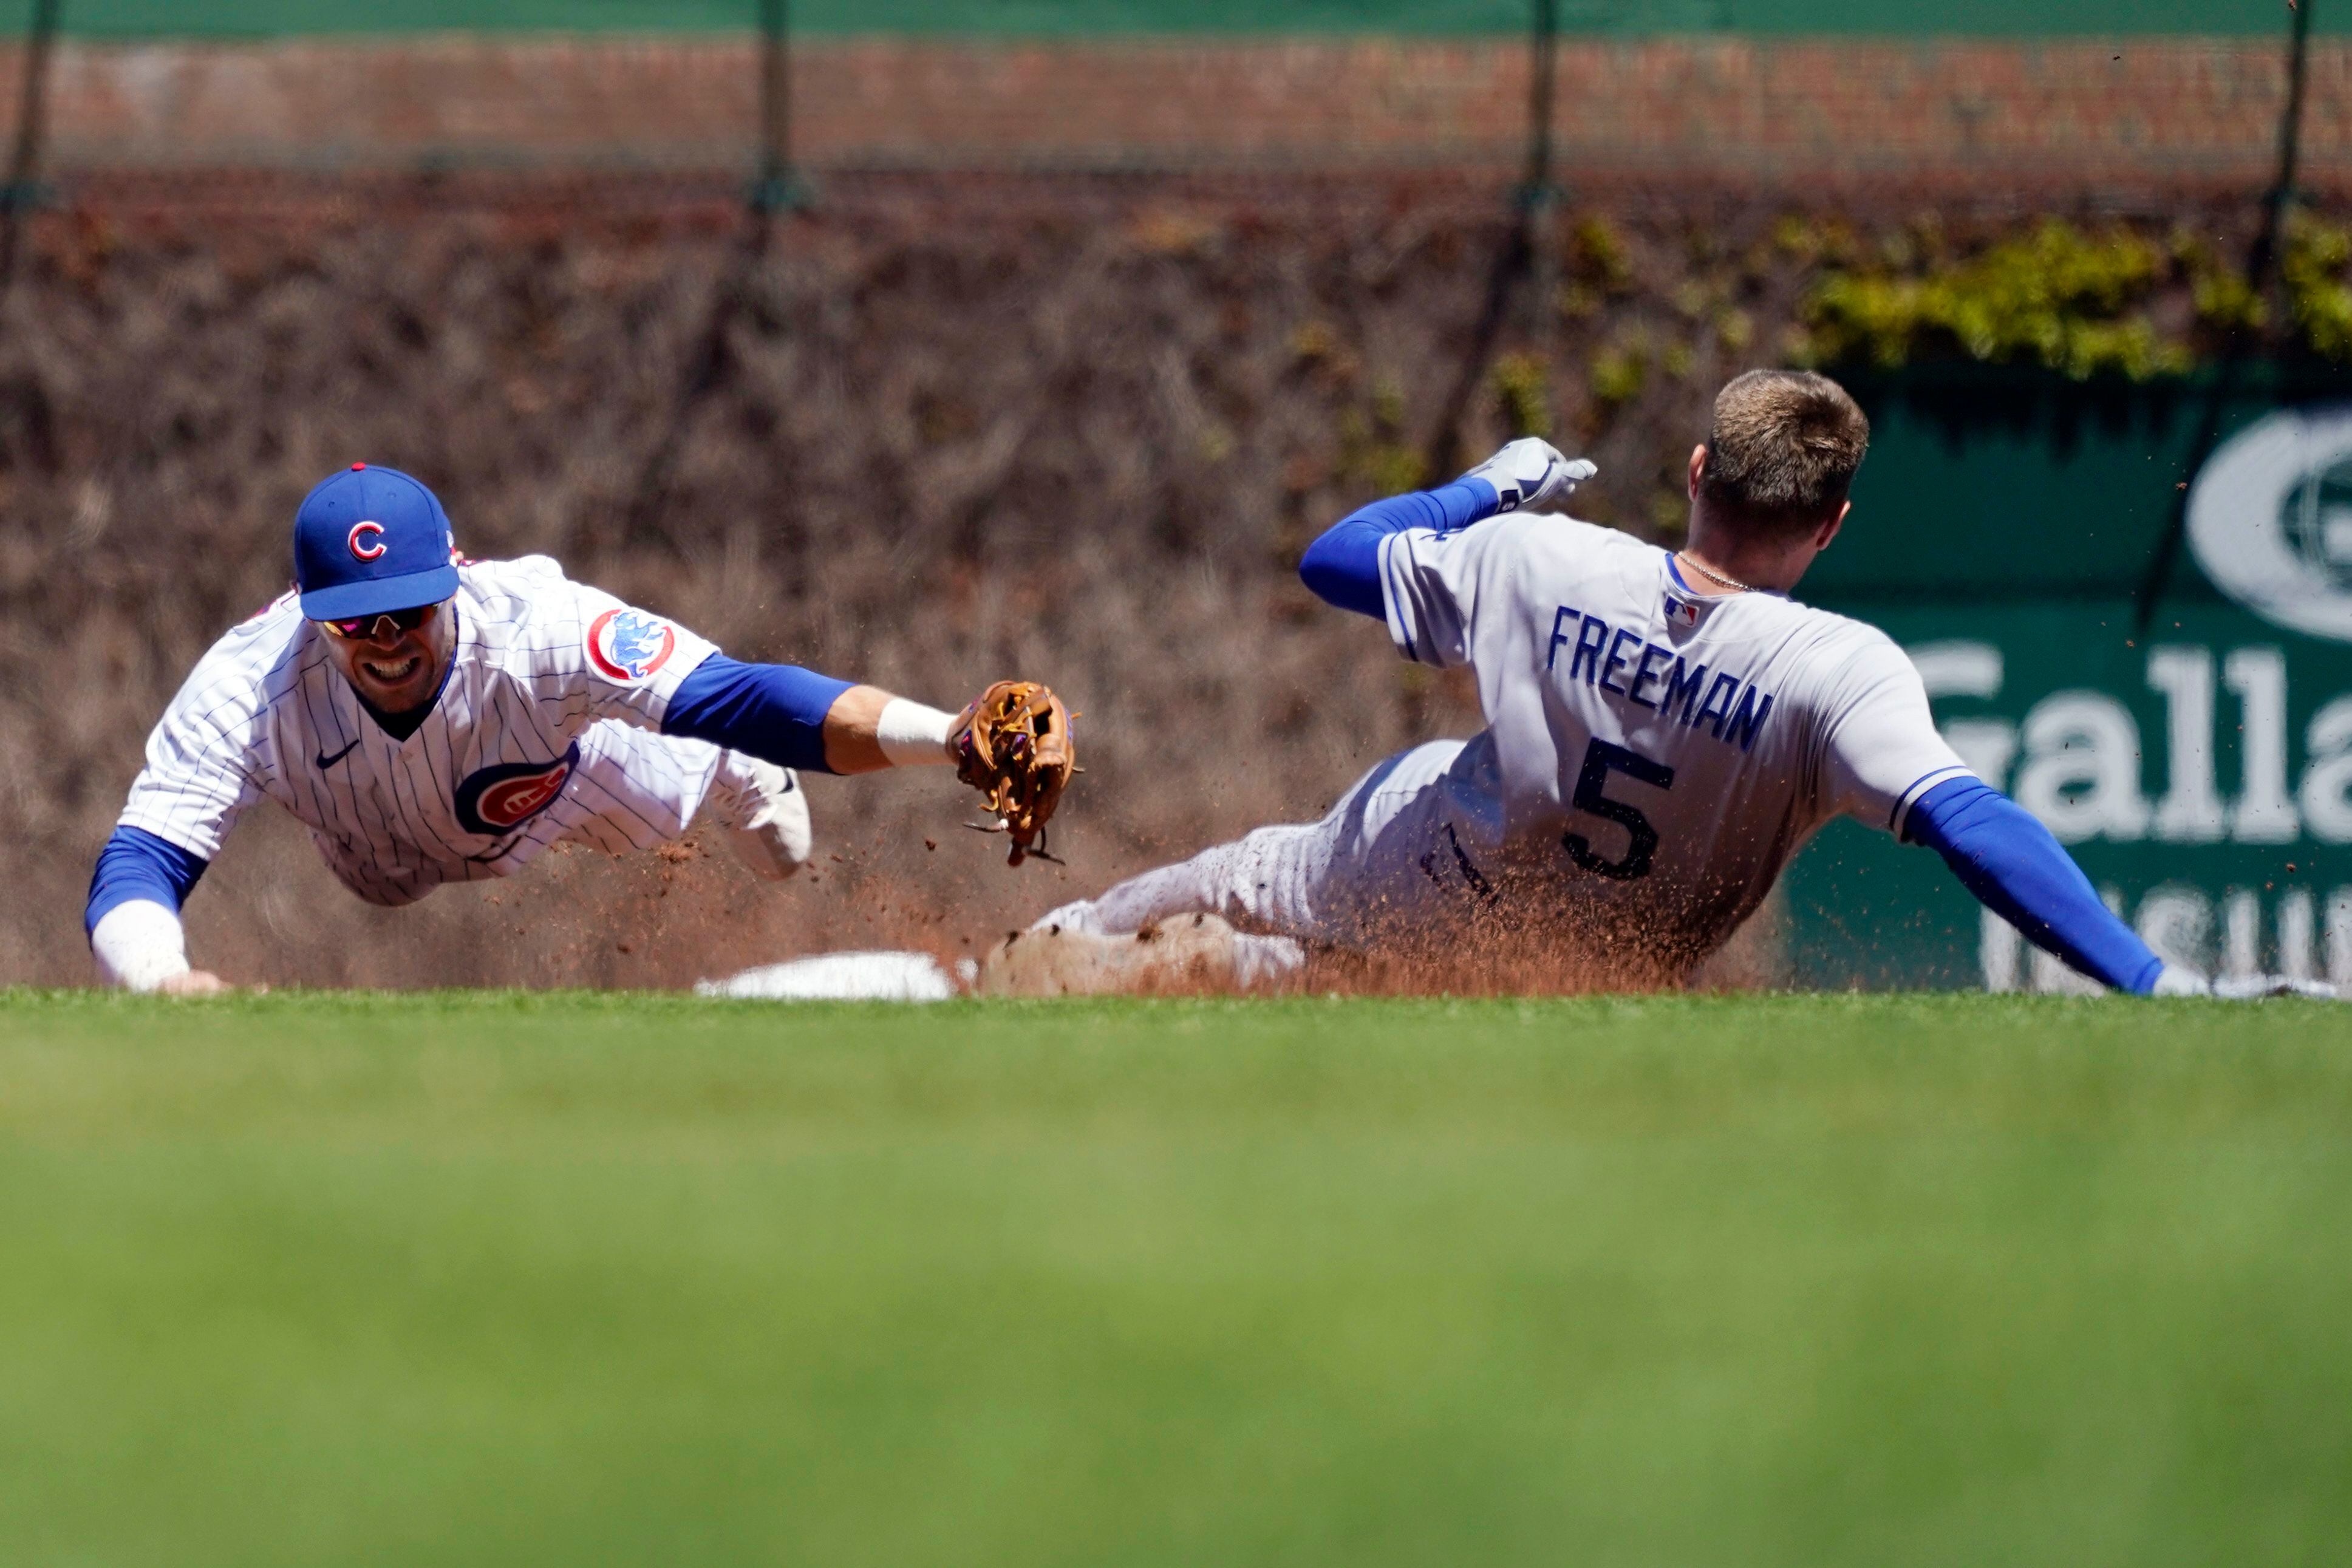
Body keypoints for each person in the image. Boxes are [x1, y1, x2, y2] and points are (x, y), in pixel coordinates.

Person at [1018, 370, 2223, 995]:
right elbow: (1973, 823)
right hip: (1580, 973)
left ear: (1696, 470)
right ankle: (1209, 968)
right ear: (1831, 524)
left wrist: (1486, 485)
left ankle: (1049, 947)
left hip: (1414, 863)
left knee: (1239, 879)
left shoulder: (1540, 551)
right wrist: (2143, 976)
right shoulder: (1835, 670)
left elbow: (1330, 558)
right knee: (1345, 989)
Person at [87, 463, 1037, 993]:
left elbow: (746, 692)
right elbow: (141, 858)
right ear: (306, 607)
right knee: (385, 889)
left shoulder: (540, 629)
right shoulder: (247, 684)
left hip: (572, 777)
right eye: (353, 621)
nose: (385, 641)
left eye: (408, 609)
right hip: (372, 834)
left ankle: (731, 777)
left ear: (453, 578)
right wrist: (162, 980)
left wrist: (948, 732)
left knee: (779, 847)